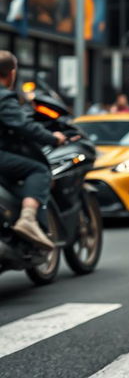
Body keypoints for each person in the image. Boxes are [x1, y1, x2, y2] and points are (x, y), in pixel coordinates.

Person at [0, 51, 67, 249]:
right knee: (39, 170)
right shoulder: (4, 96)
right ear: (12, 73)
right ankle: (28, 219)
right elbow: (24, 126)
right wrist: (53, 138)